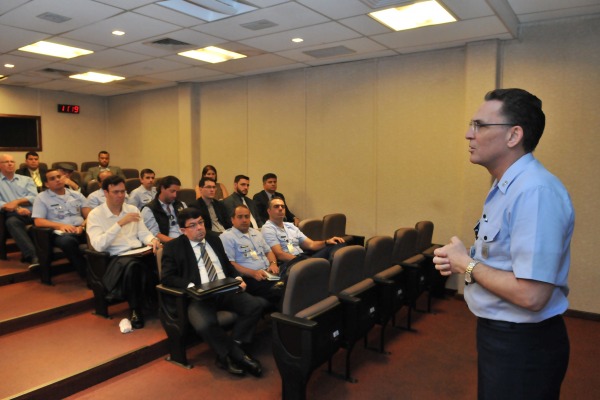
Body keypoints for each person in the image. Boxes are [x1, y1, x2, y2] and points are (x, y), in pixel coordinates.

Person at [432, 88, 574, 400]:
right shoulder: (506, 186)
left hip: (524, 343)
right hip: (503, 335)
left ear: (514, 136)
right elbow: (504, 260)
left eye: (480, 126)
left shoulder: (533, 192)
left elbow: (532, 294)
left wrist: (466, 265)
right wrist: (463, 258)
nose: (469, 134)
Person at [161, 207, 263, 377]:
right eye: (192, 225)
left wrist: (238, 278)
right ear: (182, 230)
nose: (199, 228)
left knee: (254, 306)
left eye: (200, 222)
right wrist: (191, 285)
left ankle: (231, 350)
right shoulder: (173, 247)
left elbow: (227, 265)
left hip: (225, 289)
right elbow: (167, 277)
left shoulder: (214, 239)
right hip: (200, 296)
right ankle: (238, 356)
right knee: (205, 324)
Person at [86, 175, 161, 329]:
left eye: (123, 192)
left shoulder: (132, 209)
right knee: (133, 266)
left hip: (138, 252)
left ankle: (161, 302)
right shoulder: (95, 215)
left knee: (162, 255)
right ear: (106, 193)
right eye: (116, 192)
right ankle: (136, 309)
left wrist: (152, 240)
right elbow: (98, 245)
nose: (121, 196)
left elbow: (144, 233)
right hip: (115, 258)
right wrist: (119, 224)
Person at [261, 197, 345, 273]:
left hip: (304, 257)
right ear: (269, 211)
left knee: (337, 243)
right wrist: (304, 261)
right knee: (317, 264)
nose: (280, 209)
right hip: (290, 263)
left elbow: (311, 244)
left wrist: (327, 242)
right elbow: (279, 254)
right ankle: (327, 270)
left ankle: (331, 271)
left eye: (282, 206)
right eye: (276, 206)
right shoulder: (268, 228)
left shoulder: (290, 226)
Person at [32, 169, 90, 278]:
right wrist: (61, 226)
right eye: (52, 179)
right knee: (68, 242)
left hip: (81, 229)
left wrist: (82, 226)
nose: (57, 180)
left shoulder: (76, 195)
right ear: (46, 184)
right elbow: (38, 221)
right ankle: (87, 274)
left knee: (100, 237)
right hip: (60, 233)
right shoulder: (41, 198)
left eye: (59, 176)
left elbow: (90, 215)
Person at [220, 205, 281, 303]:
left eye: (246, 216)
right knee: (279, 291)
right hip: (250, 278)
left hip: (268, 273)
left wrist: (273, 263)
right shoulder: (227, 237)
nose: (244, 220)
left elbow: (268, 251)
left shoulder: (256, 233)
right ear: (232, 219)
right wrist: (253, 273)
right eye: (240, 217)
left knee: (291, 283)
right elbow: (231, 264)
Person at [0, 153, 39, 267]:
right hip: (13, 214)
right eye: (6, 162)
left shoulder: (26, 179)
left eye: (12, 161)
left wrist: (16, 202)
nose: (10, 164)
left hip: (33, 212)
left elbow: (34, 197)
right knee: (12, 222)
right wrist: (17, 208)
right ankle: (33, 256)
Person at [141, 175, 186, 243]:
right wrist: (177, 243)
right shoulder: (149, 210)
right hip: (168, 245)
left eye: (177, 192)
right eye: (172, 191)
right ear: (162, 188)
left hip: (185, 240)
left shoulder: (181, 204)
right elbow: (155, 234)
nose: (175, 195)